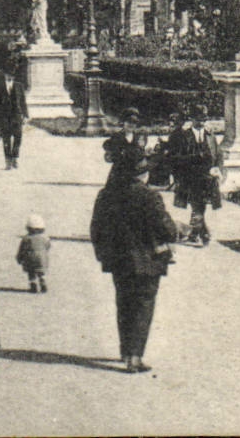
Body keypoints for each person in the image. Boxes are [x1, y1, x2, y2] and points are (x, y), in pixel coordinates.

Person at [90, 142, 178, 373]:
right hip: (148, 260)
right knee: (143, 306)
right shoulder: (150, 197)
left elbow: (96, 229)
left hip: (119, 260)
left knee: (124, 303)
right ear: (141, 173)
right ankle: (135, 356)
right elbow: (167, 230)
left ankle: (125, 351)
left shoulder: (106, 194)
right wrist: (176, 230)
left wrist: (104, 254)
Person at [165, 104, 222, 246]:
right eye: (198, 119)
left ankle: (195, 233)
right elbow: (174, 158)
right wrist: (194, 158)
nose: (201, 123)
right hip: (189, 177)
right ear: (192, 119)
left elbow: (218, 154)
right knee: (197, 205)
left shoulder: (210, 135)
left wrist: (217, 168)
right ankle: (203, 233)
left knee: (200, 205)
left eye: (204, 119)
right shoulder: (182, 136)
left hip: (207, 178)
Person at [0, 49, 28, 170]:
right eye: (8, 75)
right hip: (4, 116)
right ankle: (7, 160)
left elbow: (23, 102)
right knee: (6, 139)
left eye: (12, 75)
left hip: (16, 115)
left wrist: (26, 115)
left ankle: (15, 157)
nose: (10, 77)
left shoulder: (19, 86)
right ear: (5, 75)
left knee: (18, 138)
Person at [16, 214, 52, 293]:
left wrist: (19, 258)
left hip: (30, 259)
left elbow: (22, 249)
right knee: (41, 272)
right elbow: (48, 246)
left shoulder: (26, 238)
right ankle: (43, 282)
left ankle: (33, 285)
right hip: (42, 259)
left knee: (31, 272)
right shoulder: (45, 238)